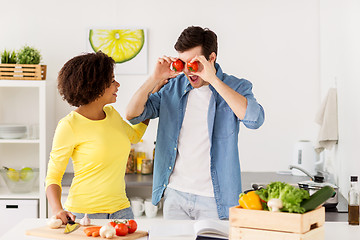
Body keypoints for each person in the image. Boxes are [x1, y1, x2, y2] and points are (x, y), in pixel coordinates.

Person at [126, 26, 265, 220]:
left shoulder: (237, 86)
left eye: (194, 63)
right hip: (175, 194)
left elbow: (254, 119)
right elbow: (132, 114)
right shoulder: (172, 87)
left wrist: (213, 79)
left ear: (211, 59)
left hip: (215, 199)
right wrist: (154, 78)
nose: (187, 70)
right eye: (182, 63)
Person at [45, 51, 148, 224]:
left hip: (122, 212)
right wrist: (57, 209)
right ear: (95, 85)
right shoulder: (69, 125)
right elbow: (53, 176)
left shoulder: (112, 114)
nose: (118, 85)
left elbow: (135, 135)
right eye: (112, 80)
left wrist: (150, 103)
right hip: (84, 215)